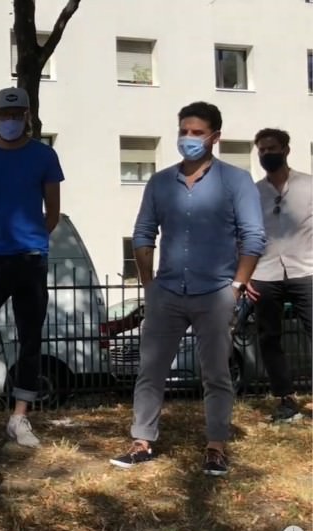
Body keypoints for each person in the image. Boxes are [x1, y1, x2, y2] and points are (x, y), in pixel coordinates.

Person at [109, 101, 265, 476]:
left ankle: (216, 447)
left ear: (215, 137)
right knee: (150, 370)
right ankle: (142, 442)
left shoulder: (236, 181)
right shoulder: (161, 182)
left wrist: (238, 284)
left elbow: (254, 236)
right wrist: (150, 285)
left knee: (215, 372)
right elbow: (144, 232)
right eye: (184, 131)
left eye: (197, 132)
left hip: (215, 293)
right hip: (167, 292)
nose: (189, 138)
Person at [0, 87, 64, 448]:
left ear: (27, 119)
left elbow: (53, 211)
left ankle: (19, 417)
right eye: (5, 115)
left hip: (29, 261)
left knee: (30, 339)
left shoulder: (44, 156)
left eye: (17, 116)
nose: (11, 121)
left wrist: (33, 239)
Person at [247, 127, 312, 422]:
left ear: (286, 150)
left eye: (271, 149)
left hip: (307, 270)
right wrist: (244, 276)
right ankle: (286, 401)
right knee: (269, 338)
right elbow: (243, 235)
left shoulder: (309, 186)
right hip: (265, 272)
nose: (266, 154)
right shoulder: (253, 193)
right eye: (261, 150)